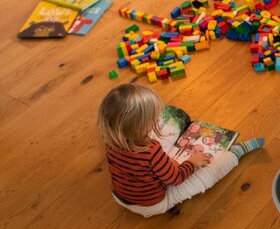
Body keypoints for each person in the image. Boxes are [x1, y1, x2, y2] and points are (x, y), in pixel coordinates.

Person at [98, 84, 264, 218]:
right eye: (152, 119)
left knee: (164, 148)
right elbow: (175, 179)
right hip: (153, 205)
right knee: (207, 177)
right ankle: (236, 152)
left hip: (120, 197)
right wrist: (192, 162)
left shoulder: (111, 141)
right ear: (139, 126)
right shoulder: (151, 150)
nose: (156, 120)